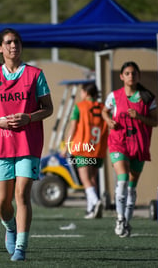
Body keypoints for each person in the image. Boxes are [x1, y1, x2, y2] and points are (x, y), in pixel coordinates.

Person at [0, 28, 53, 261]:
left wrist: (29, 117)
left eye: (17, 42)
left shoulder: (35, 74)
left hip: (28, 143)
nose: (14, 46)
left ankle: (21, 246)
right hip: (0, 144)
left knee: (22, 195)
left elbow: (48, 108)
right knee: (1, 201)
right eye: (9, 42)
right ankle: (9, 227)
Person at [101, 61, 158, 237]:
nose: (131, 76)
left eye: (134, 73)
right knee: (123, 179)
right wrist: (108, 120)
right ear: (122, 76)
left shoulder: (148, 97)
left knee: (131, 187)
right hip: (119, 141)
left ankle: (126, 220)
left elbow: (154, 121)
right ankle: (119, 218)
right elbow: (104, 111)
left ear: (138, 76)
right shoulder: (114, 96)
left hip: (139, 144)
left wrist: (139, 116)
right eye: (127, 73)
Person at [60, 82, 108, 219]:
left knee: (85, 179)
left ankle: (95, 201)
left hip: (83, 147)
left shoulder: (80, 107)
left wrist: (66, 146)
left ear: (86, 93)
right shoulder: (103, 108)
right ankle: (91, 209)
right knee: (93, 178)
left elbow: (73, 128)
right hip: (98, 147)